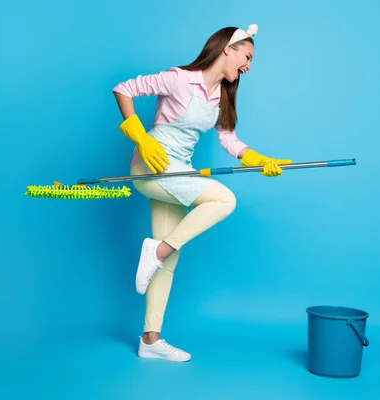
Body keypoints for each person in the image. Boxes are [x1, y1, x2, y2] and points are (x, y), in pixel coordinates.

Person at [111, 24, 291, 361]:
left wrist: (258, 159)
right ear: (228, 49)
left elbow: (229, 140)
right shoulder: (178, 78)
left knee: (167, 261)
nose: (248, 66)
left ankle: (150, 340)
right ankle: (158, 250)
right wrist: (140, 136)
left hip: (180, 172)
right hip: (152, 164)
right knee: (224, 199)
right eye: (247, 56)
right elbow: (124, 89)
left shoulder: (222, 95)